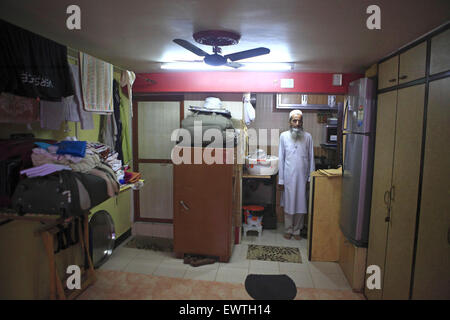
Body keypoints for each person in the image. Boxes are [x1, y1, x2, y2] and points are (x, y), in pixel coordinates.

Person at [278, 110, 315, 240]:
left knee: (301, 204)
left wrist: (310, 177)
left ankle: (297, 231)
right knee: (288, 203)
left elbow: (311, 158)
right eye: (294, 120)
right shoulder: (283, 136)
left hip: (302, 178)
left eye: (299, 121)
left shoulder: (308, 137)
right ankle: (288, 229)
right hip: (288, 177)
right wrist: (281, 180)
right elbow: (281, 159)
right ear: (290, 122)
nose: (297, 123)